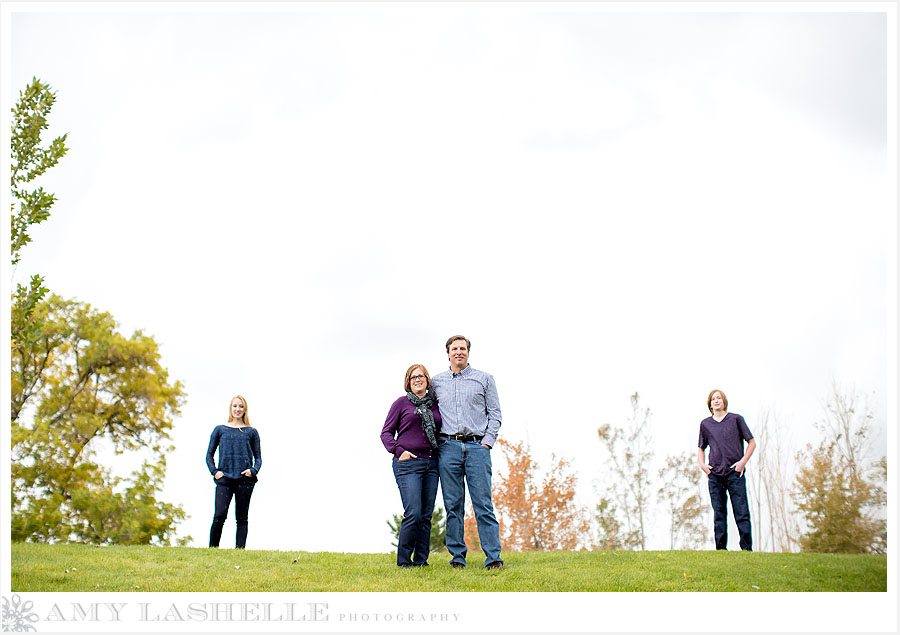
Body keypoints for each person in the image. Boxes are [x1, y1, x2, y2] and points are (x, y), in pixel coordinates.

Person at [431, 335, 503, 570]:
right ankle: (457, 559)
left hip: (477, 448)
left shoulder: (484, 379)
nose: (459, 352)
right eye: (454, 349)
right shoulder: (436, 382)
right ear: (448, 353)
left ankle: (493, 558)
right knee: (453, 506)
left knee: (483, 505)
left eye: (463, 348)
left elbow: (495, 414)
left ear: (468, 352)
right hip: (448, 448)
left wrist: (487, 443)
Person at [380, 364, 442, 567]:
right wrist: (399, 452)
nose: (418, 379)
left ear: (427, 380)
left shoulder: (435, 405)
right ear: (408, 381)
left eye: (421, 376)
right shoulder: (401, 404)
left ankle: (421, 561)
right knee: (413, 512)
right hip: (408, 465)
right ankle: (404, 561)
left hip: (431, 464)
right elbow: (386, 433)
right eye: (414, 377)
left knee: (425, 515)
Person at [698, 389, 756, 551]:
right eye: (713, 399)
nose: (716, 401)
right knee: (719, 513)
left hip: (734, 473)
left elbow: (751, 442)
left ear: (724, 401)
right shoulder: (705, 424)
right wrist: (703, 465)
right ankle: (721, 550)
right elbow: (701, 448)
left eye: (719, 398)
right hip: (715, 475)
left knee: (741, 511)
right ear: (710, 404)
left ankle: (746, 548)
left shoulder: (736, 419)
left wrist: (742, 462)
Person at [206, 395, 262, 549]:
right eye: (235, 406)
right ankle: (212, 550)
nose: (238, 409)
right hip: (224, 479)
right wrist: (215, 472)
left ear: (245, 410)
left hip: (245, 480)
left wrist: (253, 470)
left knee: (242, 518)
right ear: (231, 408)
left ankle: (240, 551)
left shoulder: (251, 432)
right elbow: (209, 455)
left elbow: (258, 458)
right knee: (219, 516)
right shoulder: (220, 430)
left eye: (241, 406)